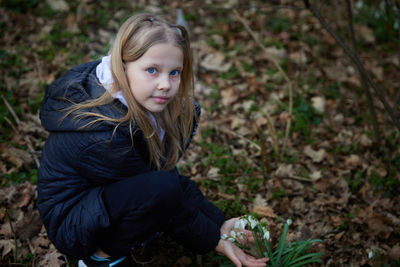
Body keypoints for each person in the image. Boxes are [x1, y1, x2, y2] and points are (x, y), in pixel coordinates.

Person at [37, 13, 268, 267]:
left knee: (162, 189)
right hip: (73, 224)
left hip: (104, 201)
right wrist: (213, 239)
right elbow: (160, 190)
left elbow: (164, 175)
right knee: (161, 192)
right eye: (152, 70)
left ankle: (136, 229)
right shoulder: (103, 133)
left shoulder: (142, 106)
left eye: (174, 72)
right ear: (122, 67)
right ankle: (98, 258)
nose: (165, 85)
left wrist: (217, 221)